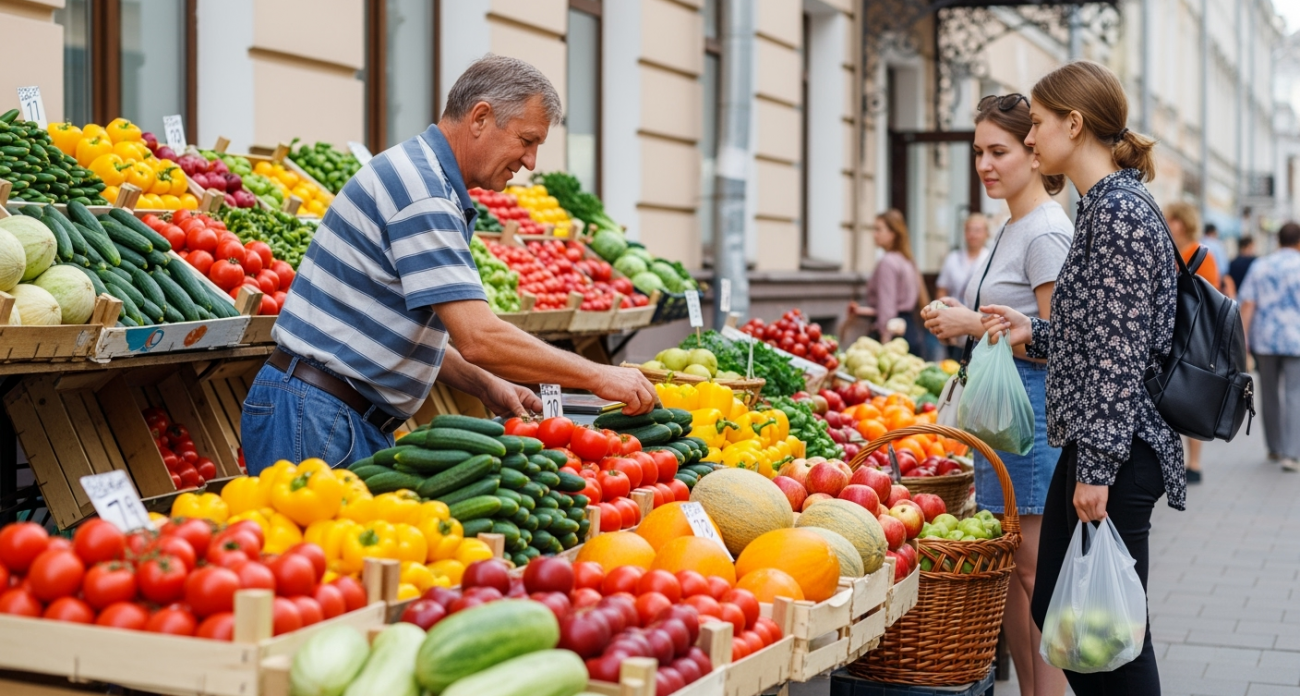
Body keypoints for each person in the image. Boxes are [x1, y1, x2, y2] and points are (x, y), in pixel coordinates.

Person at [241, 55, 656, 473]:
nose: (530, 162)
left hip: (326, 412)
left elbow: (394, 327)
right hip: (314, 416)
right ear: (480, 117)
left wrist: (484, 383)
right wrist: (597, 376)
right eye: (527, 141)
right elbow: (479, 337)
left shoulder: (427, 179)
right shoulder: (424, 195)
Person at [980, 60, 1182, 694]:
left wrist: (1095, 468)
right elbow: (1097, 335)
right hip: (1101, 442)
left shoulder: (1118, 213)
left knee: (1110, 637)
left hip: (1117, 450)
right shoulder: (1104, 206)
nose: (1031, 137)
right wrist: (1030, 329)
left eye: (1036, 124)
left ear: (1074, 123)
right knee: (1068, 620)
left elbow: (1119, 355)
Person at [920, 93, 1070, 696]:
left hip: (1029, 410)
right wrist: (966, 317)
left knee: (1034, 572)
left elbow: (1058, 343)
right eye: (979, 151)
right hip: (1005, 411)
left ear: (1034, 154)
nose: (985, 163)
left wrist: (969, 325)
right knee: (1012, 571)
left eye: (999, 150)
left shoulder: (1045, 232)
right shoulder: (1012, 225)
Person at [1238, 222, 1300, 472]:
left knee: (1269, 394)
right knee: (1294, 394)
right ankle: (1291, 453)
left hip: (1265, 339)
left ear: (1278, 240)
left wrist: (1242, 341)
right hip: (1296, 339)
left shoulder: (1261, 265)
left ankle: (1274, 447)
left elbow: (1248, 304)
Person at [1162, 201, 1214, 483]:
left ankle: (1194, 463)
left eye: (1169, 219)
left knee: (1192, 399)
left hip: (1193, 339)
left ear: (1181, 223)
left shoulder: (1198, 253)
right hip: (1177, 336)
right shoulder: (1175, 251)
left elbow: (1206, 298)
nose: (1166, 224)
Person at [848, 210, 926, 354]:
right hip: (910, 330)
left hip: (894, 335)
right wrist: (861, 311)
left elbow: (888, 308)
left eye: (878, 229)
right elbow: (900, 304)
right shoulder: (907, 260)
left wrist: (885, 340)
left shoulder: (887, 262)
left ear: (892, 233)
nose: (874, 234)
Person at [935, 214, 991, 360]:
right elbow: (942, 289)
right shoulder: (953, 258)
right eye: (969, 230)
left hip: (981, 325)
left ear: (986, 233)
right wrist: (940, 317)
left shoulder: (991, 258)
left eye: (977, 230)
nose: (973, 235)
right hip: (954, 327)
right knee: (954, 369)